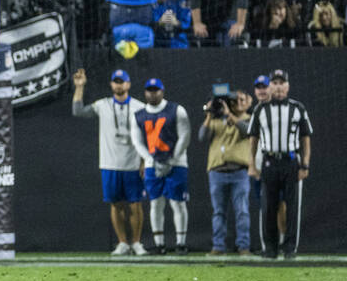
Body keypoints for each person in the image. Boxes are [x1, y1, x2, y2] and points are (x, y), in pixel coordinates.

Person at [71, 69, 148, 256]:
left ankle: (136, 243)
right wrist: (79, 87)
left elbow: (148, 135)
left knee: (135, 204)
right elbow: (78, 111)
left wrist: (145, 160)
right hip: (109, 163)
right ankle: (122, 242)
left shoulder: (139, 107)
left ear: (128, 84)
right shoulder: (102, 105)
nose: (119, 85)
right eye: (116, 82)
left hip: (132, 163)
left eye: (122, 82)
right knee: (116, 204)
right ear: (111, 84)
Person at [248, 69, 312, 259]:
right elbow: (253, 139)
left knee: (292, 206)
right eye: (274, 83)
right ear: (270, 86)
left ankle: (290, 248)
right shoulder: (260, 109)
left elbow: (305, 138)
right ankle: (270, 248)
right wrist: (252, 164)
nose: (277, 87)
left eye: (281, 83)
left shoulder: (298, 108)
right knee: (268, 206)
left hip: (291, 161)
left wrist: (305, 164)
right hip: (269, 162)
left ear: (287, 86)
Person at [130, 78, 191, 254]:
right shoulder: (139, 115)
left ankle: (181, 242)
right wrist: (151, 159)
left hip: (176, 162)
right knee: (156, 203)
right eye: (149, 90)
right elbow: (137, 141)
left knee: (178, 202)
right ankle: (159, 244)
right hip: (152, 163)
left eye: (156, 90)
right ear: (145, 92)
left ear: (162, 91)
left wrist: (172, 159)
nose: (152, 93)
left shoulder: (177, 110)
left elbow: (185, 135)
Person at [198, 86, 253, 256]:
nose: (237, 103)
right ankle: (218, 246)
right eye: (234, 101)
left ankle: (243, 246)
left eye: (240, 100)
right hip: (217, 171)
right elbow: (202, 137)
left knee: (242, 211)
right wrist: (209, 114)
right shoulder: (215, 119)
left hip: (239, 171)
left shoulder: (248, 118)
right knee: (219, 212)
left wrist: (229, 115)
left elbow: (247, 131)